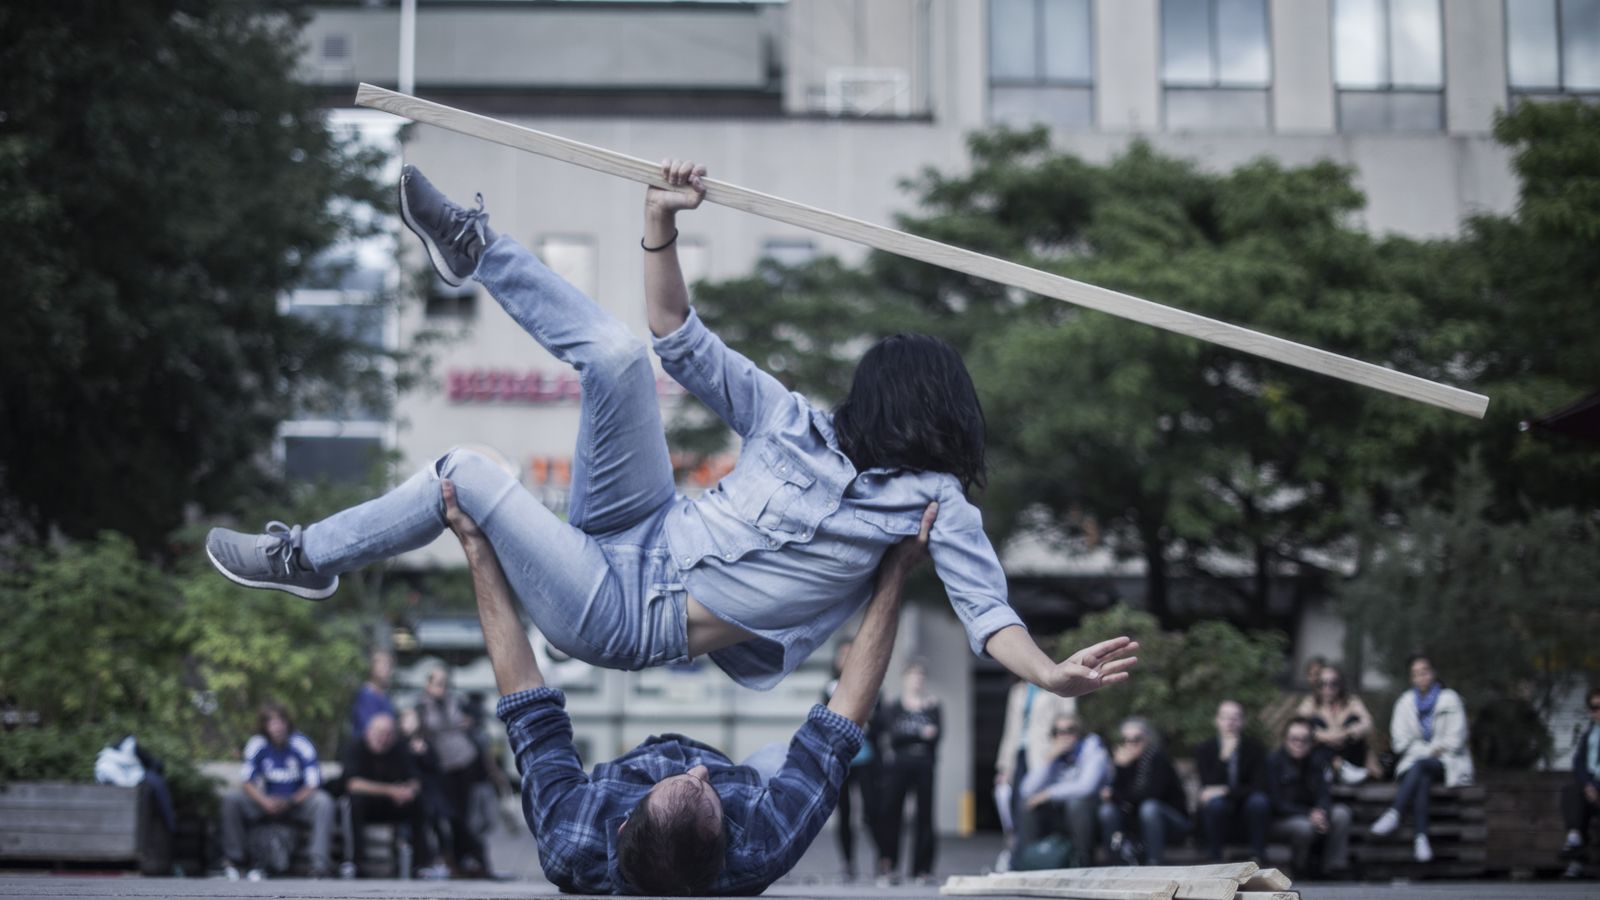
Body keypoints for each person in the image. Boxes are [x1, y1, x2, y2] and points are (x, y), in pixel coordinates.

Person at [203, 161, 1133, 704]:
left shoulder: (927, 505)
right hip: (636, 522)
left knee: (469, 471)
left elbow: (990, 615)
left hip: (623, 614)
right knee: (614, 356)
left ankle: (307, 556)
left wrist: (1050, 674)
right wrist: (659, 225)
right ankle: (480, 253)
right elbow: (676, 342)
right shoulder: (793, 421)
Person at [449, 480, 1118, 894]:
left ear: (626, 814)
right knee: (790, 758)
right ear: (727, 840)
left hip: (631, 799)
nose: (700, 770)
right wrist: (894, 574)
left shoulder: (572, 837)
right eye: (705, 789)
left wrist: (479, 550)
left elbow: (526, 702)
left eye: (688, 782)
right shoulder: (760, 842)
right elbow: (841, 721)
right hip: (758, 778)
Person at [1370, 654, 1474, 863]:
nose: (1421, 677)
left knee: (1422, 765)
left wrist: (1425, 750)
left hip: (1448, 763)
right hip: (1418, 764)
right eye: (1416, 674)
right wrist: (1432, 749)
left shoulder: (1450, 699)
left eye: (1424, 672)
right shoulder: (1405, 702)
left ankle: (1395, 813)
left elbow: (1456, 741)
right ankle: (1421, 839)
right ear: (1411, 678)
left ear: (1433, 673)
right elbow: (1400, 742)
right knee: (1422, 776)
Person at [219, 703, 335, 880]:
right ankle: (235, 861)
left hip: (297, 803)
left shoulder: (301, 743)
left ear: (287, 723)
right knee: (232, 800)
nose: (277, 727)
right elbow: (247, 782)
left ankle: (319, 865)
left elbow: (313, 783)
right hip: (265, 802)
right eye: (272, 722)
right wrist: (264, 801)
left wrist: (291, 801)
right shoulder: (257, 744)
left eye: (280, 721)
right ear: (265, 726)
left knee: (323, 801)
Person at [992, 678, 1075, 871]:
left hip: (1045, 753)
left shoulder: (1055, 682)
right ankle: (1019, 858)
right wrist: (1003, 765)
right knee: (1016, 808)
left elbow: (1069, 719)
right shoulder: (1018, 690)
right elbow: (1011, 728)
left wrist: (1061, 748)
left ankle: (1039, 858)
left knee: (1038, 805)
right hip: (1019, 754)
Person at [417, 664, 491, 876]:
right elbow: (417, 729)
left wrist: (470, 721)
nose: (442, 687)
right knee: (449, 815)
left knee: (464, 814)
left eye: (444, 683)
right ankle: (469, 856)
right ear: (428, 684)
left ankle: (465, 859)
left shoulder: (456, 701)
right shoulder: (422, 706)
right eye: (437, 682)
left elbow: (477, 717)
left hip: (464, 760)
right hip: (441, 766)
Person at [821, 638, 884, 881]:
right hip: (842, 762)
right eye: (843, 655)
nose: (846, 660)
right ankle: (847, 863)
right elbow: (824, 721)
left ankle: (883, 859)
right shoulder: (829, 688)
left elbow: (882, 723)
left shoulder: (872, 685)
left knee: (872, 812)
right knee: (844, 814)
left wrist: (868, 724)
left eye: (851, 654)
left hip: (867, 760)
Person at [1013, 713, 1108, 868]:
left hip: (1087, 808)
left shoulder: (1093, 750)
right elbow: (1026, 789)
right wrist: (1049, 760)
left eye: (1070, 730)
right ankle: (1027, 861)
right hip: (1057, 809)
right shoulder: (1052, 753)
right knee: (1026, 804)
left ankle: (1083, 863)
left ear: (1079, 732)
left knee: (1076, 804)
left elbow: (1086, 787)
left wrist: (1049, 794)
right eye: (1059, 731)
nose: (1065, 736)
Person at [342, 712, 430, 879]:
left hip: (393, 806)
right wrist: (391, 791)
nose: (383, 738)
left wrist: (409, 791)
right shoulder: (355, 747)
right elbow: (353, 784)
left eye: (388, 734)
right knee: (355, 802)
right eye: (379, 733)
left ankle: (420, 864)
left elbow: (416, 779)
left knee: (419, 803)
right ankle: (355, 862)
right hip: (367, 806)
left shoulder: (400, 748)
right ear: (368, 732)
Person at [879, 660, 942, 884]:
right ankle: (889, 866)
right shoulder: (894, 706)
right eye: (913, 675)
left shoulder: (932, 706)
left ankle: (922, 870)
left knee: (925, 817)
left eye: (920, 675)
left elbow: (937, 736)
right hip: (899, 767)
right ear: (905, 678)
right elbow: (894, 736)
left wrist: (920, 736)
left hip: (924, 766)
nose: (917, 679)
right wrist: (920, 734)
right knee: (892, 814)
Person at [1266, 717, 1352, 877]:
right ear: (1285, 740)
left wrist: (1322, 813)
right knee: (1304, 826)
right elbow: (1276, 803)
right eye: (1294, 739)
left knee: (1341, 813)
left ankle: (1334, 867)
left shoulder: (1316, 762)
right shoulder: (1273, 762)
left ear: (1311, 742)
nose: (1299, 743)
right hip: (1282, 819)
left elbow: (1324, 794)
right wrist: (1309, 814)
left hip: (1312, 814)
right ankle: (1300, 869)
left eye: (1304, 740)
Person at [1098, 718, 1190, 866]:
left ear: (1147, 739)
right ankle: (1114, 862)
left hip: (1173, 824)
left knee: (1149, 808)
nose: (1131, 744)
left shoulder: (1157, 758)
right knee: (1107, 810)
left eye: (1136, 739)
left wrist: (1116, 791)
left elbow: (1150, 795)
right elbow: (1118, 798)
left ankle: (1154, 862)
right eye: (1126, 739)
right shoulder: (1124, 762)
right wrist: (1121, 769)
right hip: (1140, 825)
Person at [1193, 700, 1270, 863]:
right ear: (1217, 721)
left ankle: (1258, 856)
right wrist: (1224, 758)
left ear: (1242, 722)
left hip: (1247, 805)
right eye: (1226, 717)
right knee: (1215, 804)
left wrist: (1226, 791)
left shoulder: (1254, 748)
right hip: (1220, 808)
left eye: (1235, 718)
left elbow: (1259, 785)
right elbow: (1208, 785)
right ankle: (1215, 857)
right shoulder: (1205, 749)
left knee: (1259, 801)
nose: (1230, 722)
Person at [1295, 663, 1377, 784]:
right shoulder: (1311, 702)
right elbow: (1298, 724)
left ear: (1340, 684)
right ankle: (1335, 768)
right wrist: (1327, 736)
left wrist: (1347, 733)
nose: (1327, 688)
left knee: (1354, 720)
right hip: (1323, 752)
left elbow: (1368, 723)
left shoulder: (1351, 701)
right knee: (1313, 723)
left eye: (1333, 684)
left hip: (1349, 753)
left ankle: (1339, 768)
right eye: (1323, 684)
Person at [1560, 687, 1600, 878]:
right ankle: (1575, 840)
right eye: (1594, 708)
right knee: (1572, 793)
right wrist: (1588, 785)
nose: (1597, 712)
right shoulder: (1590, 733)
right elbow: (1578, 762)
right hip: (1591, 788)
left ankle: (1577, 854)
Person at [351, 649, 397, 740]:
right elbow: (367, 729)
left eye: (389, 666)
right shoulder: (366, 695)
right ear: (373, 668)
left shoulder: (384, 696)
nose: (388, 671)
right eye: (384, 665)